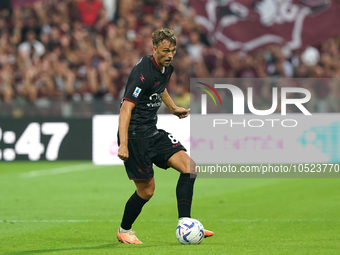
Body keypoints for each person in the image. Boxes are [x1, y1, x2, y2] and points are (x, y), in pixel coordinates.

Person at [116, 28, 214, 244]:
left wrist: (173, 108)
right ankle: (124, 230)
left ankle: (185, 223)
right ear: (154, 49)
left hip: (153, 132)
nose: (170, 55)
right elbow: (126, 109)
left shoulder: (166, 68)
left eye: (173, 50)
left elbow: (160, 89)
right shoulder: (141, 72)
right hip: (135, 137)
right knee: (147, 191)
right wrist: (123, 144)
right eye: (165, 51)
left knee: (189, 167)